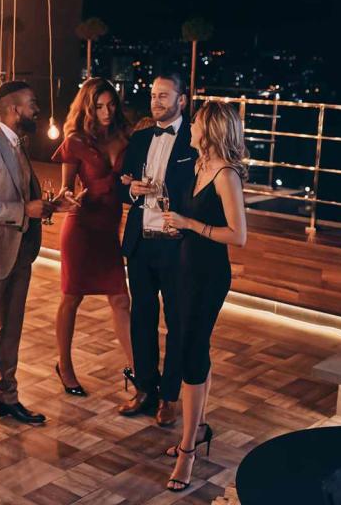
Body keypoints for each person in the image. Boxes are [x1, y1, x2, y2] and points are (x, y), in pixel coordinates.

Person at [0, 80, 67, 442]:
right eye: (32, 103)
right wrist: (24, 210)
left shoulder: (21, 145)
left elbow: (26, 197)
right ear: (11, 108)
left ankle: (6, 396)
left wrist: (47, 206)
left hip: (22, 254)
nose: (36, 109)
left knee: (12, 332)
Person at [161, 101, 248, 492]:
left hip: (210, 276)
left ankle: (187, 451)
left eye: (195, 122)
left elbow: (238, 236)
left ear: (209, 131)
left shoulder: (226, 175)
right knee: (189, 348)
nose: (190, 126)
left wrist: (190, 224)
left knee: (191, 353)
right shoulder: (197, 167)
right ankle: (195, 430)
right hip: (184, 269)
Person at [118, 75, 197, 427]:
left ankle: (170, 396)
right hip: (141, 243)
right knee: (142, 319)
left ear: (182, 99)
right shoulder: (139, 138)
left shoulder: (195, 140)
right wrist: (133, 190)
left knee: (177, 322)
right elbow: (123, 184)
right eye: (153, 95)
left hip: (176, 246)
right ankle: (145, 388)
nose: (156, 101)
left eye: (164, 95)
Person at [51, 78, 134, 397]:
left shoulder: (125, 137)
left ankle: (138, 371)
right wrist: (65, 199)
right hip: (81, 227)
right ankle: (65, 365)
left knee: (120, 299)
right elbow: (65, 190)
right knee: (71, 297)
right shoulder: (75, 141)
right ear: (88, 107)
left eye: (111, 103)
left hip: (109, 230)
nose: (107, 110)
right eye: (99, 105)